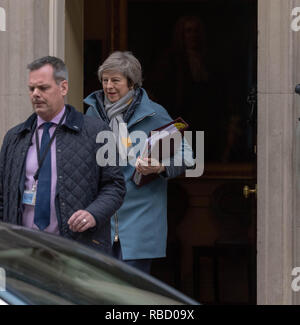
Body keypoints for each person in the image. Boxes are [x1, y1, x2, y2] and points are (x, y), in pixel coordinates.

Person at [0, 56, 126, 255]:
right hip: (24, 251)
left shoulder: (98, 131)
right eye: (31, 89)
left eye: (43, 88)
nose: (35, 94)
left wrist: (93, 214)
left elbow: (115, 186)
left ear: (63, 88)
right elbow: (3, 195)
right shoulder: (14, 137)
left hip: (77, 250)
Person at [84, 51, 193, 273]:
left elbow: (189, 155)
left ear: (131, 83)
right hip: (101, 219)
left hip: (139, 219)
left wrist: (160, 166)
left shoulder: (154, 113)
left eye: (116, 80)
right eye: (105, 80)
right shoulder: (92, 112)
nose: (108, 86)